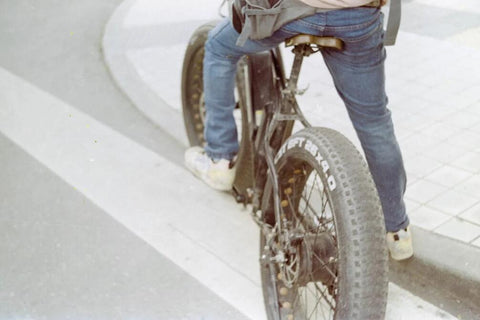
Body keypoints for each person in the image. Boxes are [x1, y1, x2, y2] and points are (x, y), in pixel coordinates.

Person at [184, 0, 413, 261]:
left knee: (217, 47)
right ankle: (397, 233)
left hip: (289, 14)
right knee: (374, 121)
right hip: (357, 18)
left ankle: (220, 159)